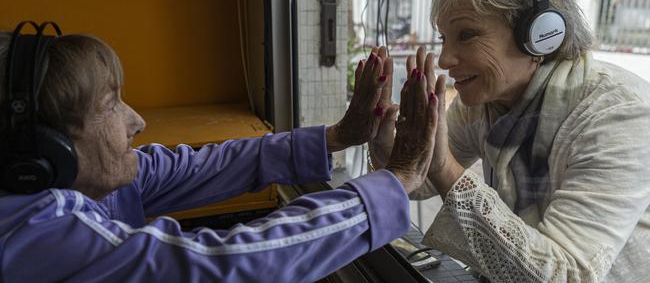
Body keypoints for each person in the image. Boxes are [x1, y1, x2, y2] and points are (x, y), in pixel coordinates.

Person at [0, 25, 441, 282]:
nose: (137, 121)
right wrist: (396, 180)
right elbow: (219, 264)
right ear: (45, 149)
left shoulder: (82, 177)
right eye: (110, 106)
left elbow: (202, 166)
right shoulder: (35, 233)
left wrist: (337, 136)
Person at [370, 0, 650, 282]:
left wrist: (445, 167)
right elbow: (419, 183)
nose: (444, 60)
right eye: (444, 39)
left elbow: (567, 276)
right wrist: (392, 152)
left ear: (538, 34)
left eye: (467, 35)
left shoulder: (618, 113)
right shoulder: (484, 104)